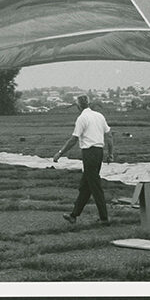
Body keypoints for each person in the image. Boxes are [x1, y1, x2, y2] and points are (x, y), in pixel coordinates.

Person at [53, 95, 114, 225]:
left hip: (89, 153)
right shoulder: (99, 116)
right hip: (98, 153)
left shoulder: (82, 118)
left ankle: (104, 218)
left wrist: (60, 153)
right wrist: (110, 154)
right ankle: (74, 215)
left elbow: (74, 139)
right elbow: (109, 135)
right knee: (85, 186)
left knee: (95, 186)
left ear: (79, 106)